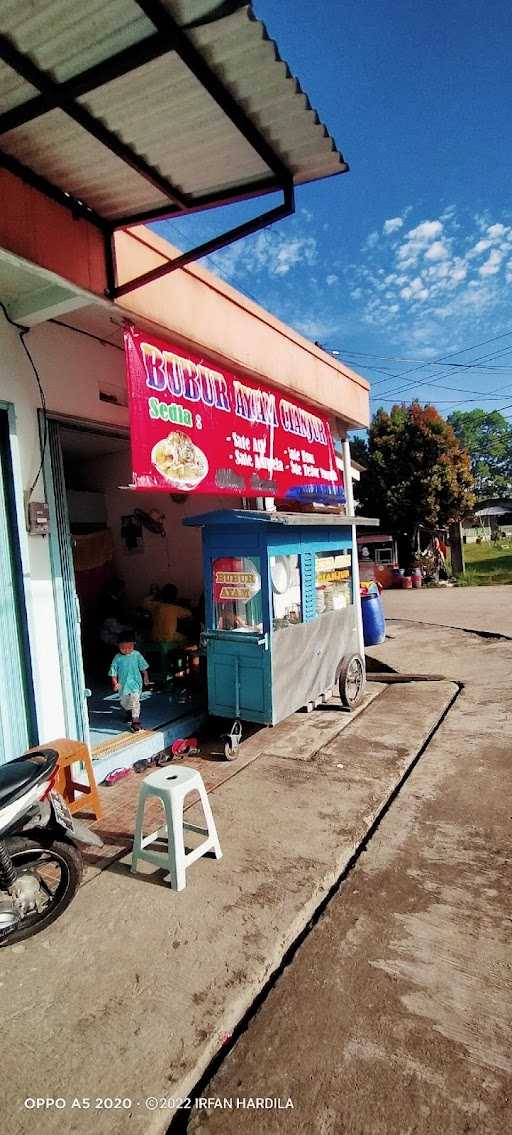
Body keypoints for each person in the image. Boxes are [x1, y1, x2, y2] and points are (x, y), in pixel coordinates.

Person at [109, 631, 150, 733]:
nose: (127, 650)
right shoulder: (117, 658)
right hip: (123, 685)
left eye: (129, 647)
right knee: (124, 702)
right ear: (118, 646)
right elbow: (113, 671)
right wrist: (115, 682)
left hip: (136, 683)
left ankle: (135, 721)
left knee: (135, 700)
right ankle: (129, 711)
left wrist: (146, 676)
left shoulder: (137, 655)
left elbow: (143, 666)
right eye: (123, 648)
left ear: (134, 645)